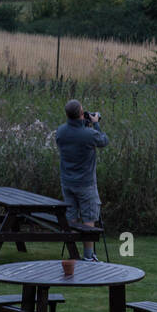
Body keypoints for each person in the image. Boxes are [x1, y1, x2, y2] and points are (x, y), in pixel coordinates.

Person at [55, 99, 109, 262]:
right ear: (80, 114)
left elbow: (75, 135)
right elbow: (103, 140)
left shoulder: (60, 132)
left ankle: (72, 252)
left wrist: (84, 123)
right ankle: (88, 255)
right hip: (85, 183)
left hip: (67, 181)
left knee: (71, 216)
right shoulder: (89, 134)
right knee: (88, 217)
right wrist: (95, 123)